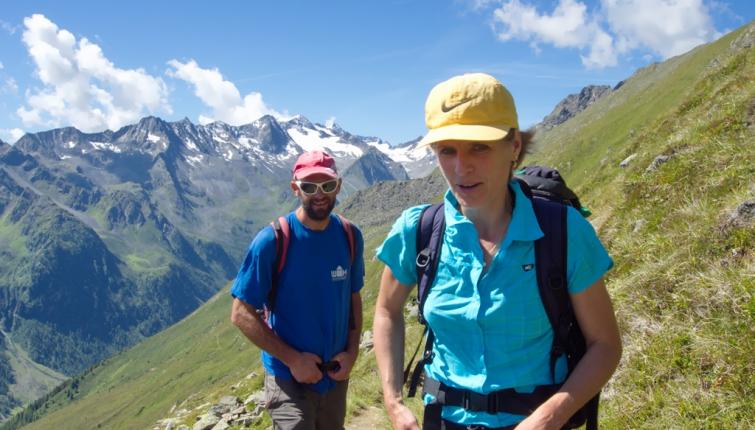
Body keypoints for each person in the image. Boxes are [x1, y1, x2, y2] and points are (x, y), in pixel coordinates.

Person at [373, 73, 622, 430]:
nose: (462, 167)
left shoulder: (563, 232)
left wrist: (550, 417)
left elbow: (605, 344)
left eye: (479, 147)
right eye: (447, 150)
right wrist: (393, 401)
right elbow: (386, 310)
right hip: (442, 420)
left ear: (515, 147)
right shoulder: (418, 231)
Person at [230, 150, 365, 430]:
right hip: (288, 379)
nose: (320, 194)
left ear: (338, 185)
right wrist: (293, 360)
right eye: (309, 186)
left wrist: (352, 352)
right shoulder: (272, 241)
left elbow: (353, 299)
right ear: (295, 188)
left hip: (334, 379)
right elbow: (240, 313)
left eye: (327, 185)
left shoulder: (350, 236)